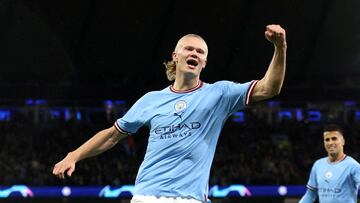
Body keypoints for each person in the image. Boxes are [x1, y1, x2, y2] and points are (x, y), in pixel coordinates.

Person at [52, 24, 287, 203]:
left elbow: (269, 88)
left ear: (204, 62)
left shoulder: (220, 94)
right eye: (188, 49)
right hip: (147, 196)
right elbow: (113, 135)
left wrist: (280, 47)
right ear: (176, 56)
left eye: (200, 52)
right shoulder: (150, 100)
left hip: (189, 198)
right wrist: (74, 155)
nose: (194, 53)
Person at [299, 124, 360, 203]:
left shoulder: (353, 166)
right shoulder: (318, 165)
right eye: (327, 140)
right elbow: (310, 195)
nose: (330, 142)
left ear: (343, 141)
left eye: (334, 139)